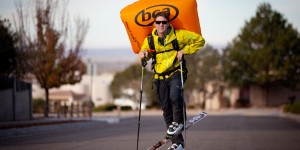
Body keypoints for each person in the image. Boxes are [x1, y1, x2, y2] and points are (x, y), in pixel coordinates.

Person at [139, 11, 205, 150]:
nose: (161, 25)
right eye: (158, 22)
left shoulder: (178, 35)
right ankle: (178, 143)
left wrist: (184, 51)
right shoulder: (150, 39)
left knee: (175, 96)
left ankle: (179, 122)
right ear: (154, 24)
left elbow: (200, 41)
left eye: (164, 22)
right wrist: (144, 55)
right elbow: (146, 52)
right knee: (166, 111)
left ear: (168, 23)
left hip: (176, 72)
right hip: (159, 77)